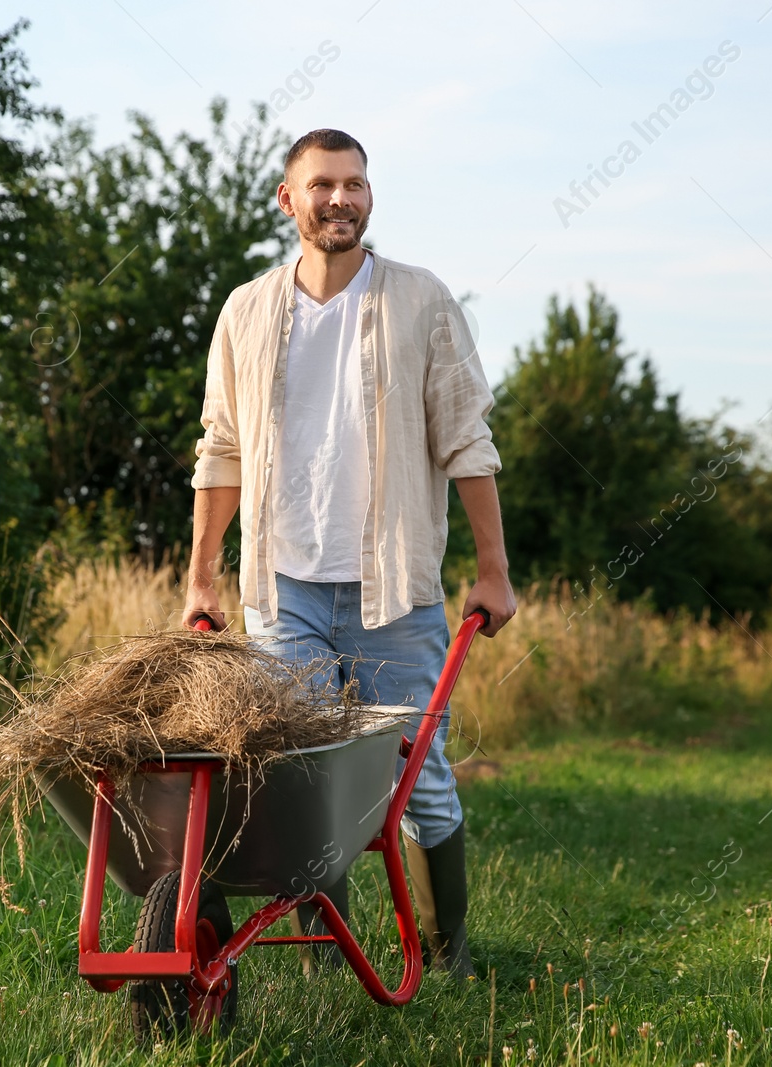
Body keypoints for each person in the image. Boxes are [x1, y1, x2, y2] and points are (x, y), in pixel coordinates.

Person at [183, 128, 517, 978]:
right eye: (323, 184)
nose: (342, 199)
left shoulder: (421, 301)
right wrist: (200, 576)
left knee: (421, 779)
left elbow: (467, 440)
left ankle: (449, 957)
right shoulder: (247, 312)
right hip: (282, 585)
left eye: (356, 184)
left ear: (371, 196)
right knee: (299, 777)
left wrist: (493, 569)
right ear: (288, 200)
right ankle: (331, 947)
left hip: (395, 592)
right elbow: (220, 450)